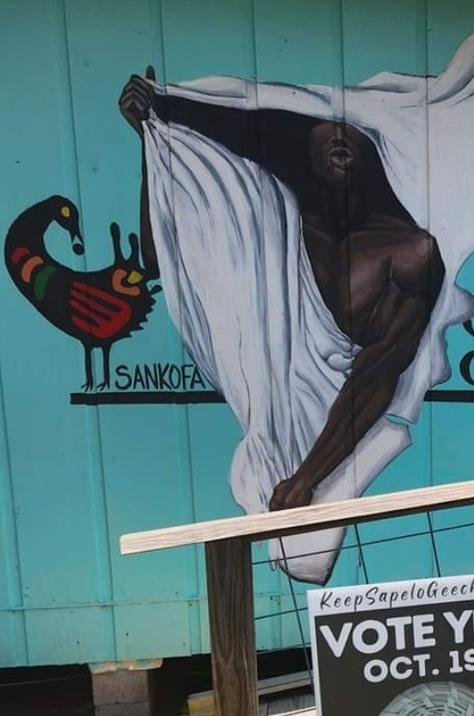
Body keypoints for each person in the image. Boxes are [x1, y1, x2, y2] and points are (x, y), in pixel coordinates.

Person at [119, 72, 445, 510]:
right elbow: (160, 258)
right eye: (325, 129)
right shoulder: (268, 215)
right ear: (305, 146)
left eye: (354, 131)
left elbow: (377, 375)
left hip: (331, 443)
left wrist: (307, 478)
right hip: (264, 417)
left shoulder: (410, 253)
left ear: (381, 149)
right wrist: (152, 141)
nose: (338, 137)